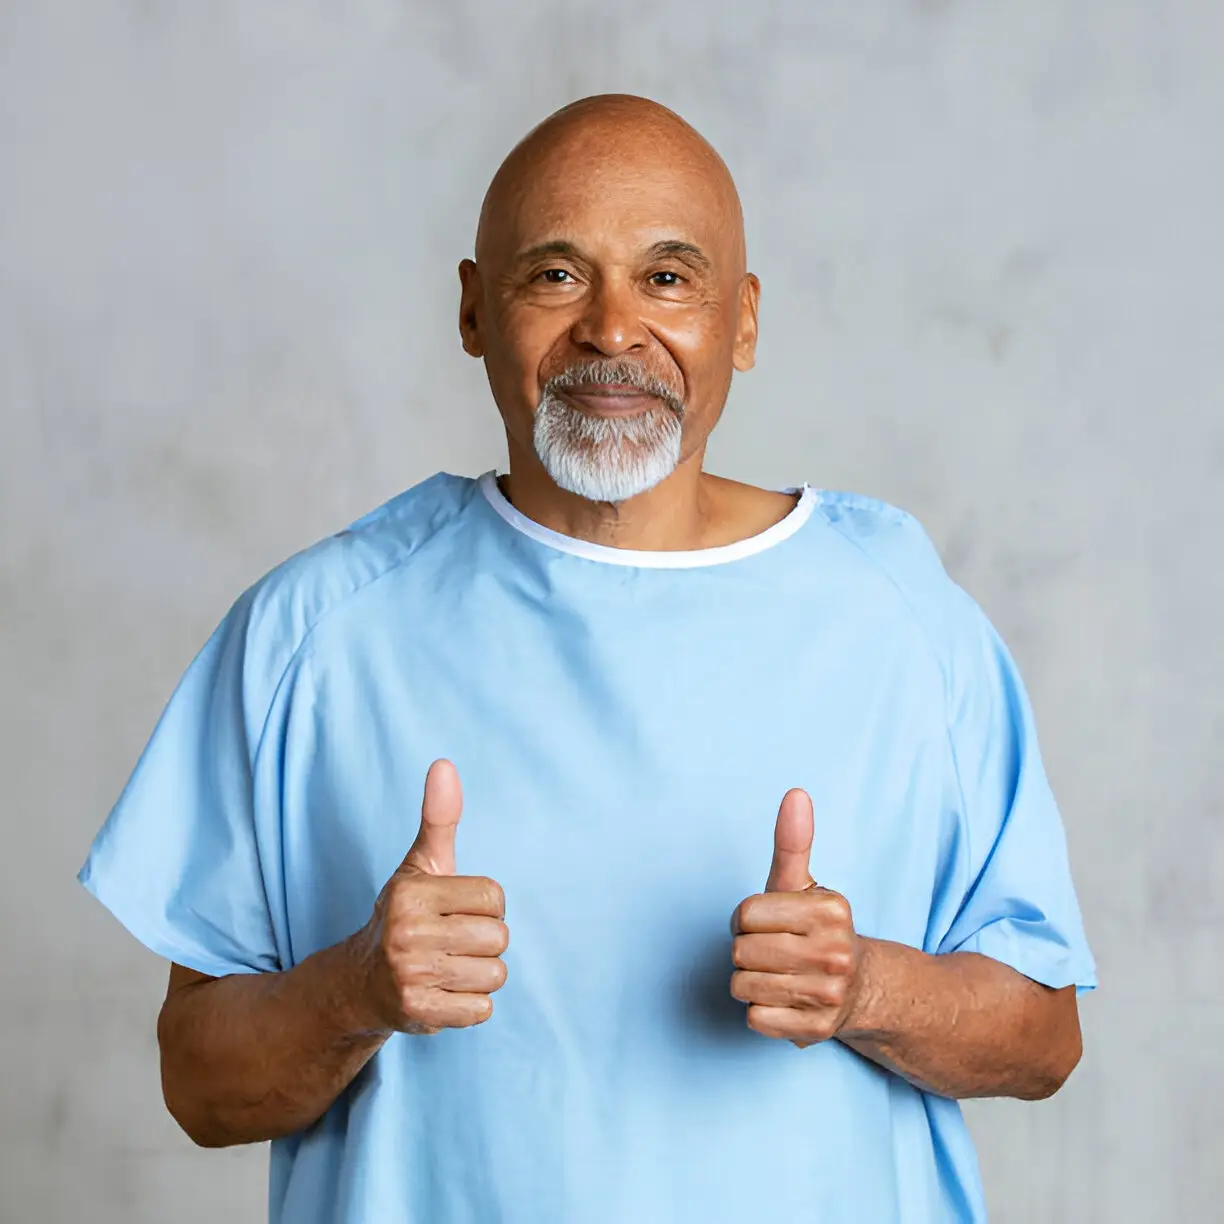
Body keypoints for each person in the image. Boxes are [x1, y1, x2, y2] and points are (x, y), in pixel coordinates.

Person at [78, 94, 1096, 1223]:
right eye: (556, 275)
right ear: (473, 309)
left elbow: (1044, 1038)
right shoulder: (314, 632)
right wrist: (353, 990)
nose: (613, 330)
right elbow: (199, 1085)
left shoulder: (904, 619)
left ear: (744, 322)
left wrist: (867, 986)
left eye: (668, 278)